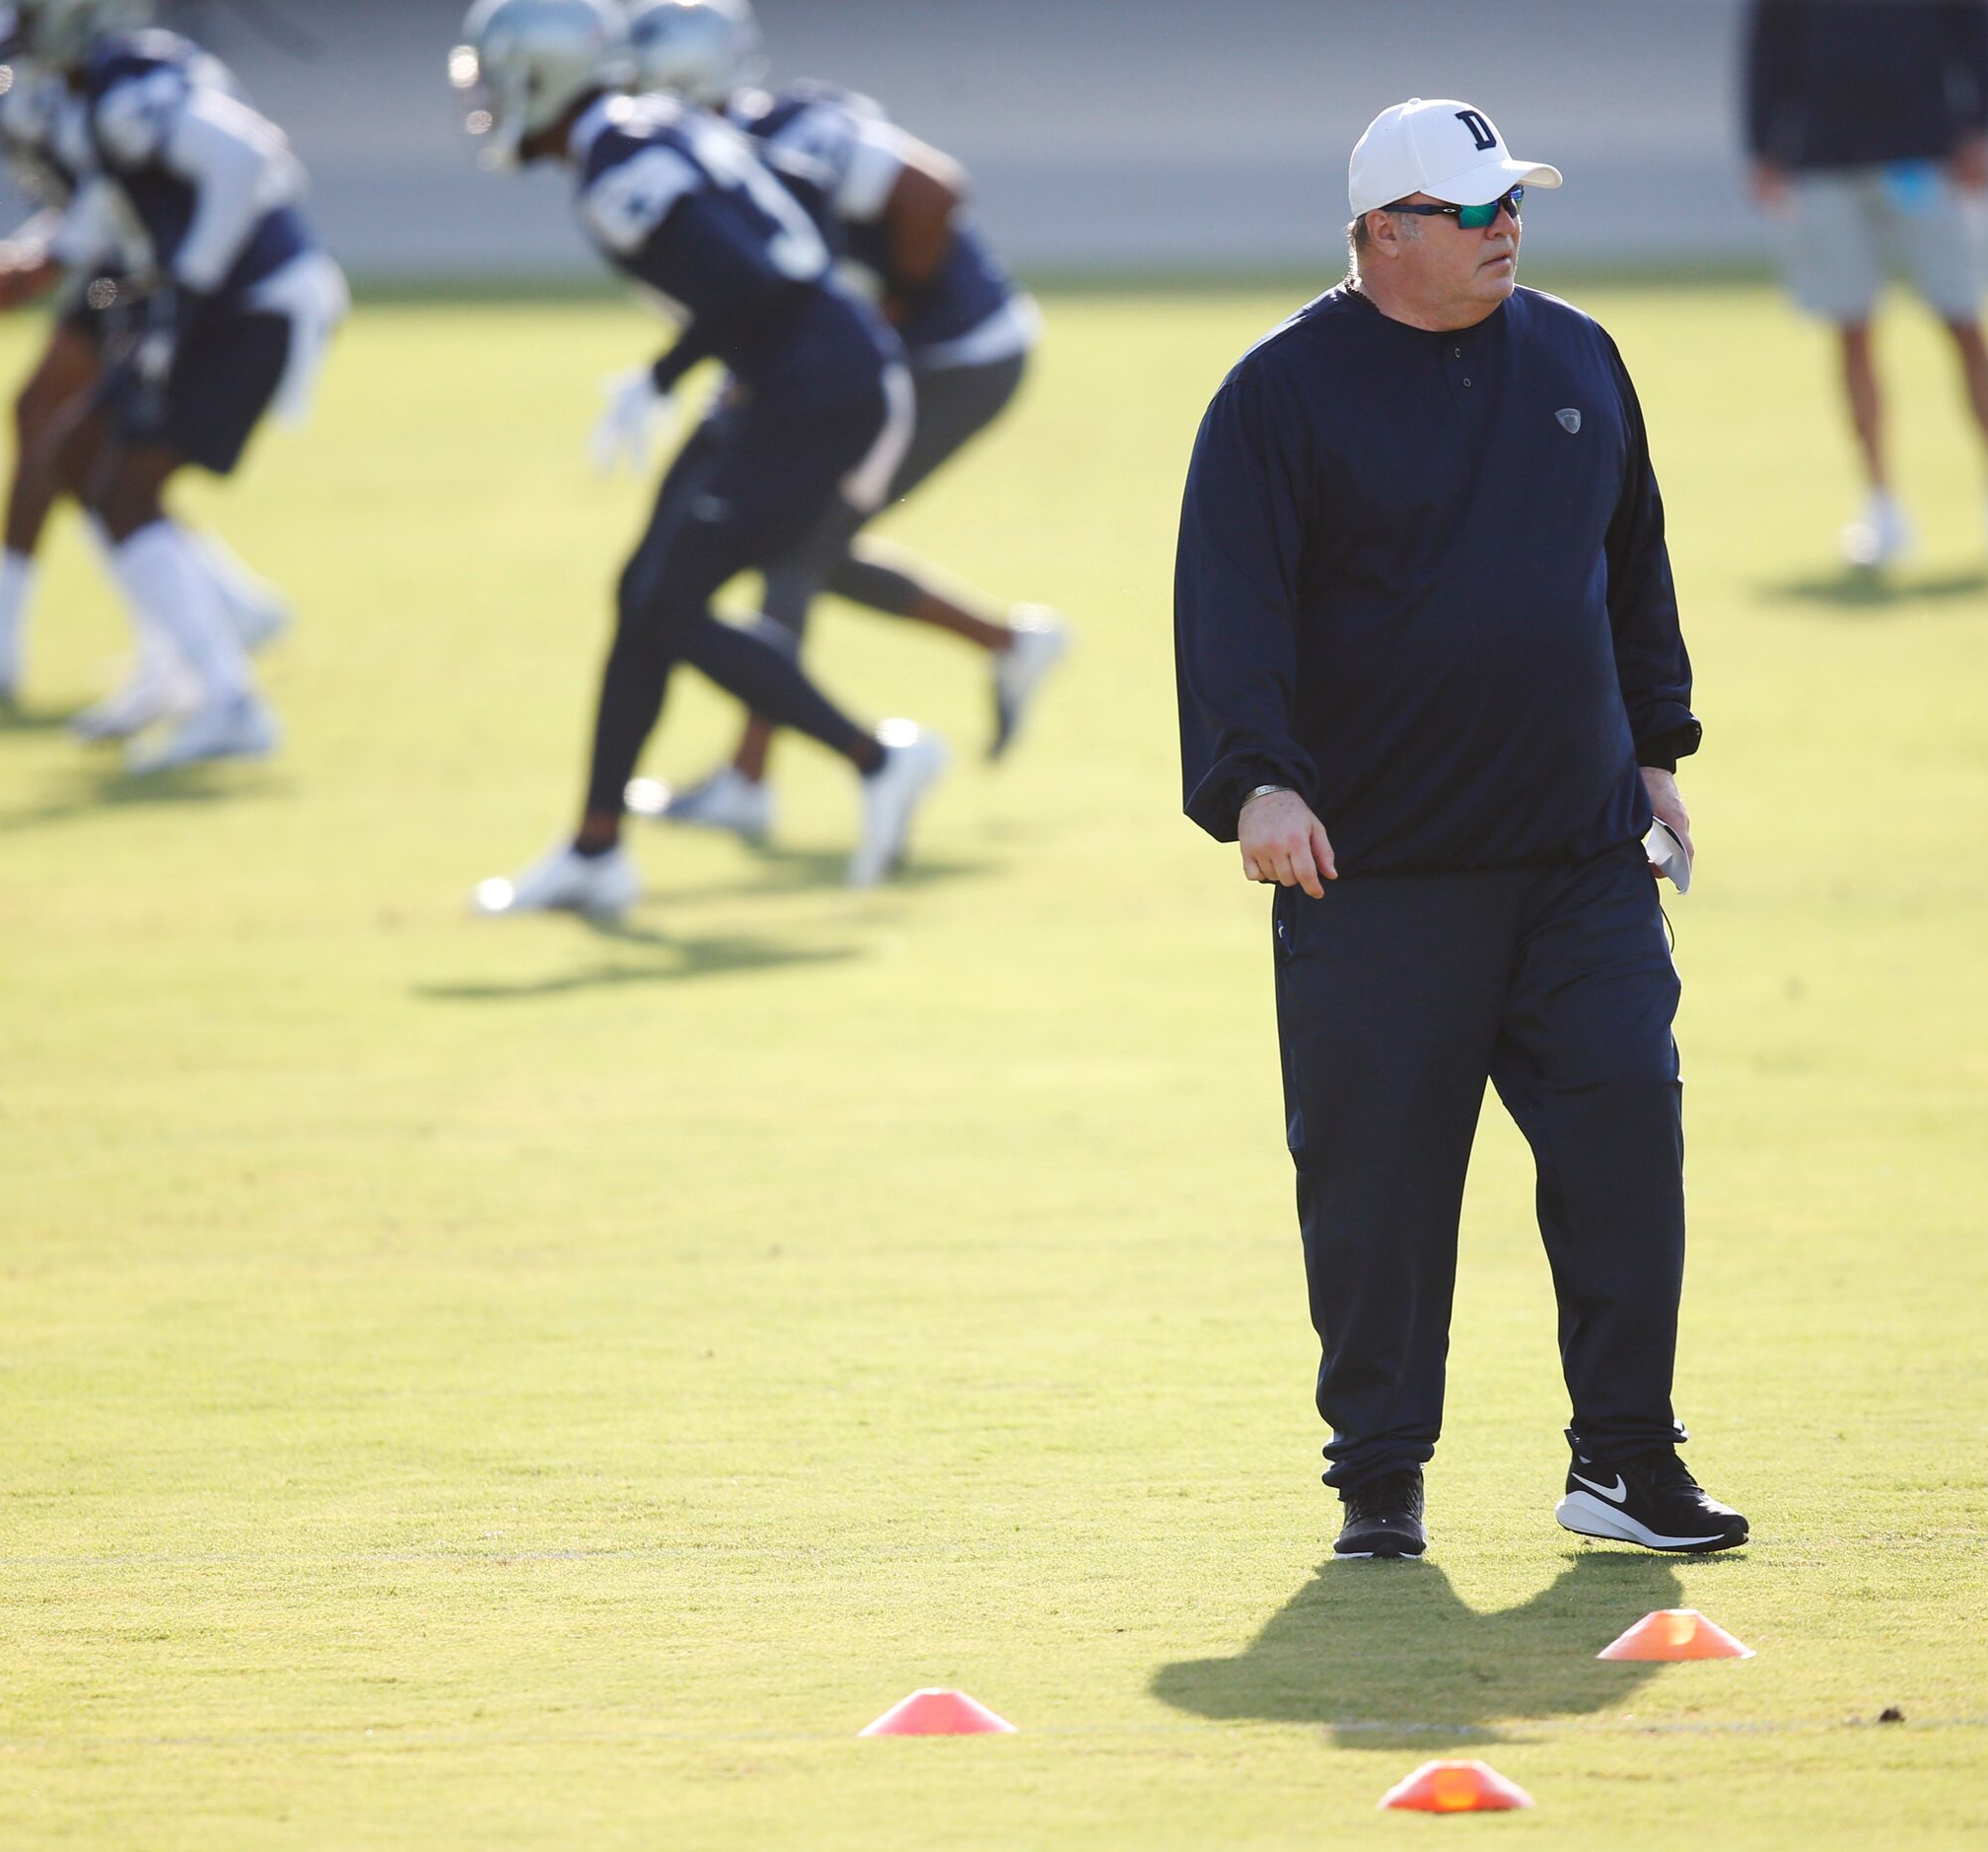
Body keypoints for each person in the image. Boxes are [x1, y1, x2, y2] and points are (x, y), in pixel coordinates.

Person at [1173, 97, 1751, 1560]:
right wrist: (1255, 782)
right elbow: (1228, 608)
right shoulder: (1277, 394)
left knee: (1627, 1126)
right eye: (1469, 210)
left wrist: (1658, 748)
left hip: (1577, 859)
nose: (1505, 230)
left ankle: (1623, 1460)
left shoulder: (1573, 355)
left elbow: (1631, 567)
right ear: (1379, 233)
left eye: (1512, 206)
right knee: (1376, 1193)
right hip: (1374, 875)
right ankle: (1378, 1479)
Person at [454, 0, 948, 920]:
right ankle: (595, 849)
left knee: (668, 605)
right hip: (788, 377)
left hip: (811, 390)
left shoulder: (618, 164)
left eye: (499, 76)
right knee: (644, 594)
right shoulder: (651, 127)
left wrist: (663, 374)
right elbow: (786, 223)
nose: (488, 99)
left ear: (542, 77)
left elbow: (753, 281)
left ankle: (879, 759)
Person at [602, 0, 1067, 845]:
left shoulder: (777, 137)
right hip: (909, 359)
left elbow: (931, 191)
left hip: (955, 354)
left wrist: (883, 323)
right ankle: (1005, 641)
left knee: (795, 543)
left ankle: (751, 780)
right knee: (799, 542)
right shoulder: (720, 147)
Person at [0, 0, 289, 738]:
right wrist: (37, 259)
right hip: (134, 263)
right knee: (73, 440)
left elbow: (124, 183)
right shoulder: (34, 64)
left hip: (152, 271)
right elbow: (103, 188)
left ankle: (195, 650)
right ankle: (216, 616)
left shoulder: (14, 70)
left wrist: (43, 266)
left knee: (78, 440)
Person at [0, 0, 349, 773]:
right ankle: (180, 672)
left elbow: (246, 159)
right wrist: (35, 263)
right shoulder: (106, 91)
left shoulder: (123, 88)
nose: (18, 30)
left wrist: (186, 288)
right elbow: (113, 218)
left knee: (125, 485)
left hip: (251, 309)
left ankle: (230, 702)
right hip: (222, 308)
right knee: (77, 455)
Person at [1745, 0, 1988, 567]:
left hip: (1928, 151)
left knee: (1966, 322)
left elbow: (1977, 28)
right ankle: (1882, 508)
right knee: (1853, 332)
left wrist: (1982, 128)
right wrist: (1761, 144)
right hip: (1826, 156)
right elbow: (1767, 42)